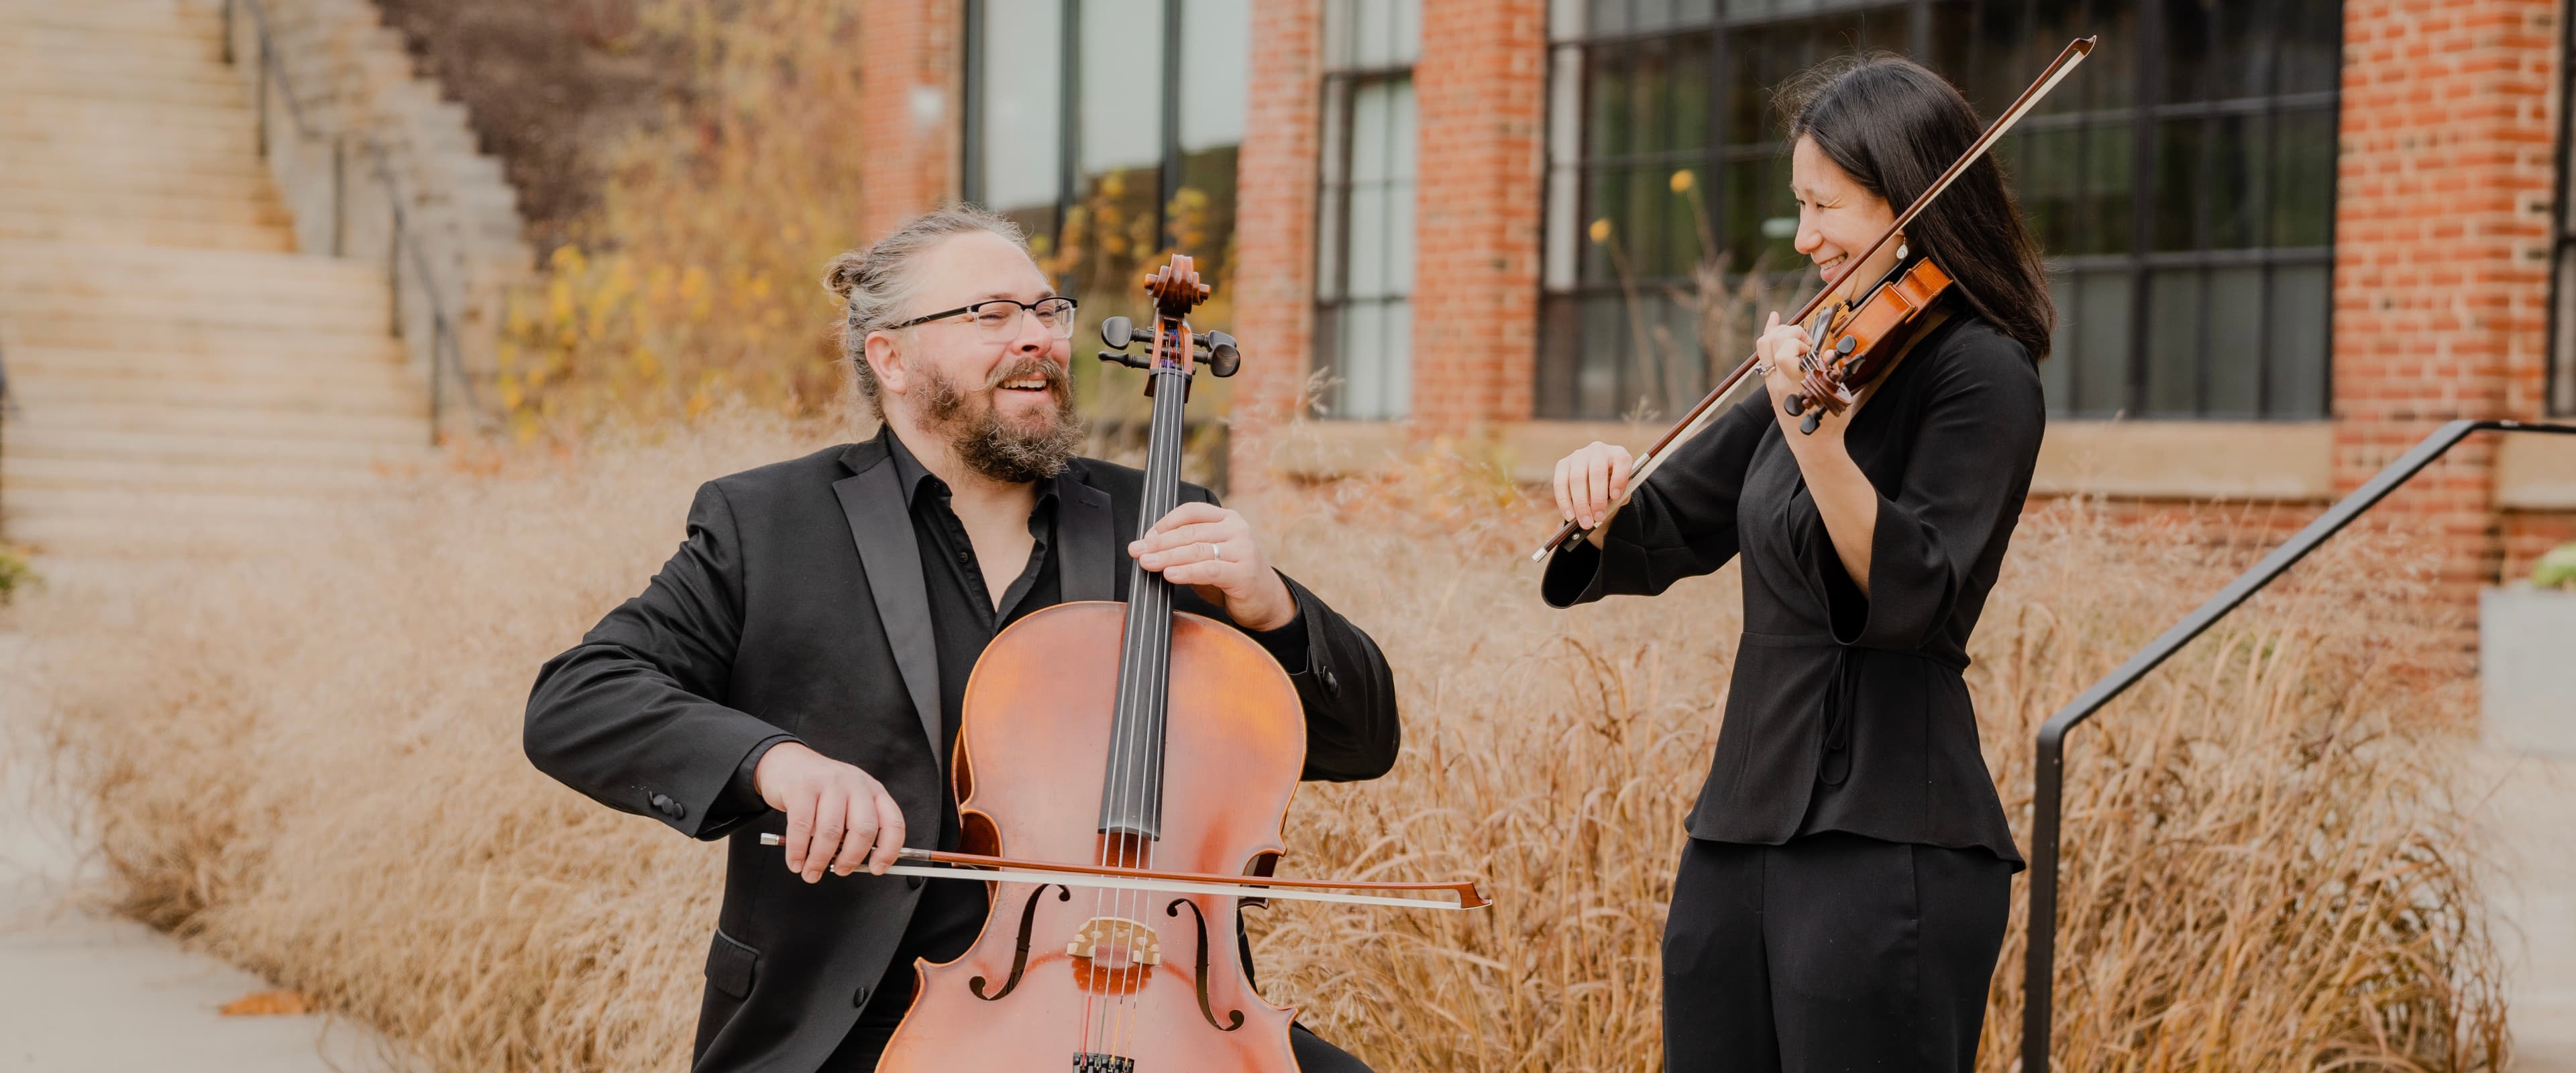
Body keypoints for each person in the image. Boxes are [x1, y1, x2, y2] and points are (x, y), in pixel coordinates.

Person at [524, 206, 1400, 1072]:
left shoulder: (1159, 517)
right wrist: (776, 764)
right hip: (856, 1024)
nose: (1038, 338)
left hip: (1144, 1005)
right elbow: (581, 695)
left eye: (1048, 311)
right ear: (892, 358)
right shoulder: (770, 525)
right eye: (991, 315)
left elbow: (1361, 742)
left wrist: (1272, 606)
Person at [1542, 54, 2055, 1072]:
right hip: (1743, 820)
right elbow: (1676, 518)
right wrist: (1599, 502)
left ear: (1909, 199)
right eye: (1798, 205)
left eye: (1825, 206)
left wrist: (1820, 441)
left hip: (1890, 833)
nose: (1805, 237)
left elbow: (1915, 592)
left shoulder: (1982, 372)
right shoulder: (1825, 355)